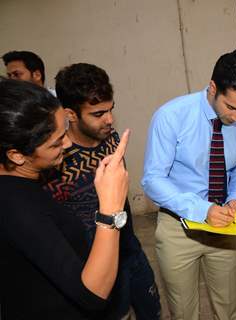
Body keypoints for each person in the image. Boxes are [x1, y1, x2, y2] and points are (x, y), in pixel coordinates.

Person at [142, 50, 236, 320]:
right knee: (184, 310)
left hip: (225, 225)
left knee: (228, 306)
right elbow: (152, 179)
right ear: (212, 88)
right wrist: (200, 208)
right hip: (178, 227)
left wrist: (235, 198)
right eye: (231, 107)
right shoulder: (172, 116)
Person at [0, 78, 130, 319]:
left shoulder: (24, 182)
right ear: (17, 155)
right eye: (57, 141)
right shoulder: (16, 207)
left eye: (65, 131)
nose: (68, 144)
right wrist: (111, 209)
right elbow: (92, 294)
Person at [41, 63, 161, 319]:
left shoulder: (112, 138)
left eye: (110, 110)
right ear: (71, 114)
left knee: (152, 311)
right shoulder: (55, 162)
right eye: (98, 114)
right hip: (94, 265)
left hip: (131, 250)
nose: (109, 120)